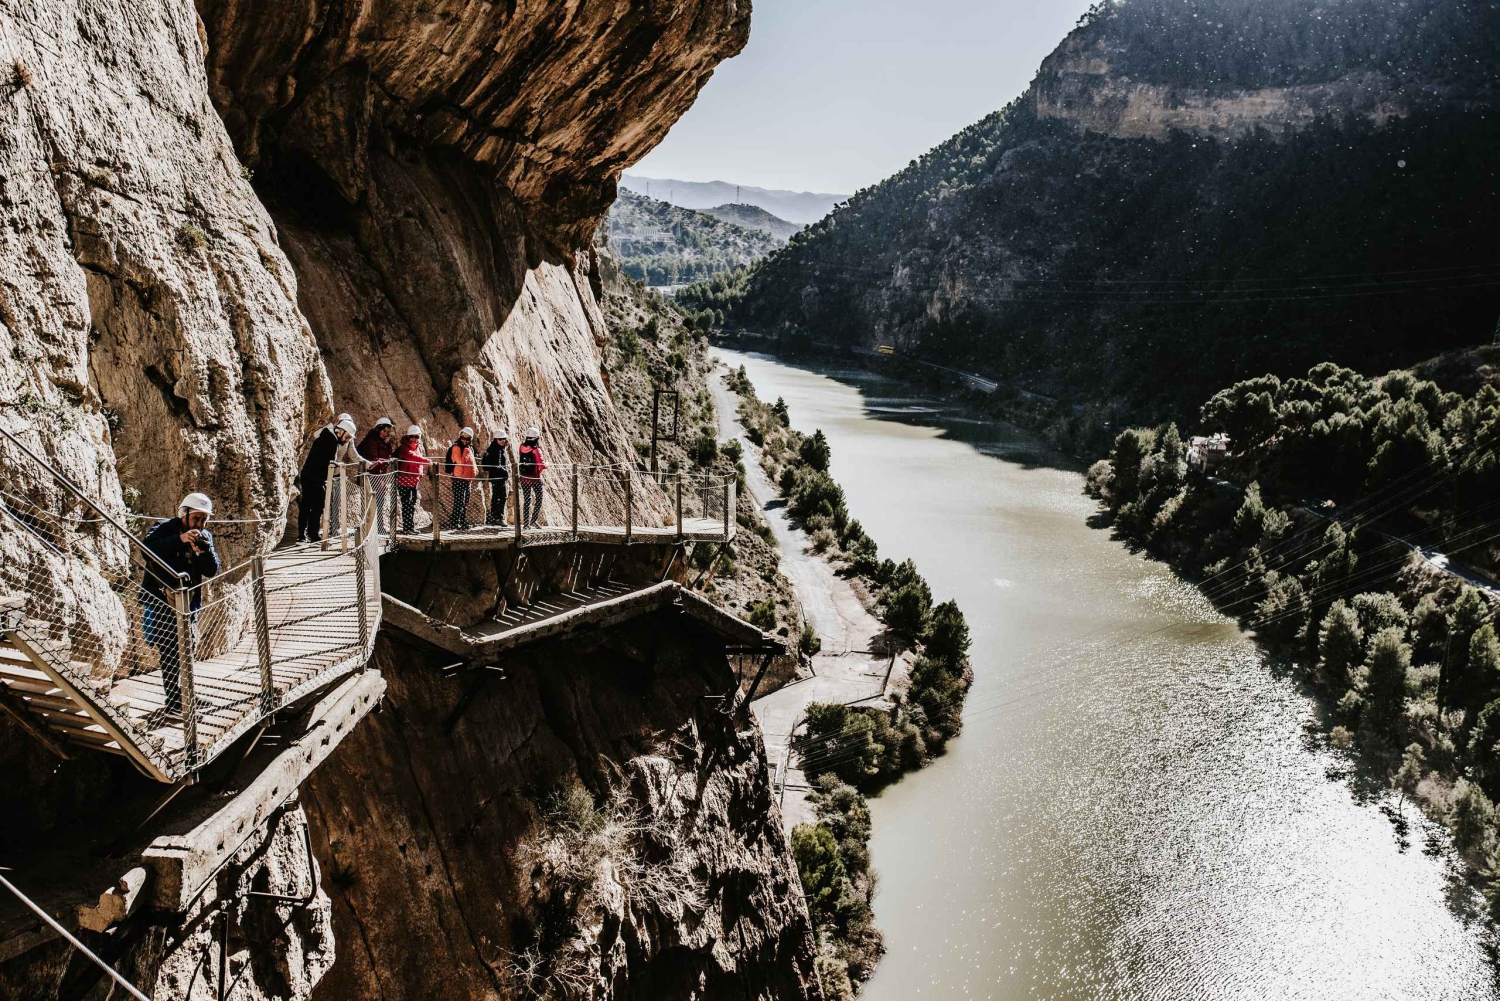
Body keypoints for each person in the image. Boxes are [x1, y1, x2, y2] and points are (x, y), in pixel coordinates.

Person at [141, 493, 220, 721]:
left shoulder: (204, 536)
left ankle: (186, 696)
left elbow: (212, 570)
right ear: (184, 514)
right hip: (162, 599)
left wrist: (203, 551)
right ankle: (174, 701)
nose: (200, 525)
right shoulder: (165, 528)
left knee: (187, 649)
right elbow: (146, 549)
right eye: (196, 519)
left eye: (204, 520)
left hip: (189, 602)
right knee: (169, 649)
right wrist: (180, 540)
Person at [297, 416, 357, 542]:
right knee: (317, 506)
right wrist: (337, 466)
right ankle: (312, 534)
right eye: (347, 437)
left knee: (307, 505)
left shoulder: (327, 437)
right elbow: (327, 462)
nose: (347, 440)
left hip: (310, 475)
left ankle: (303, 535)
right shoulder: (330, 441)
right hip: (316, 477)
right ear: (340, 432)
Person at [358, 417, 397, 534]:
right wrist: (385, 462)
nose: (386, 434)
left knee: (379, 503)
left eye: (388, 432)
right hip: (372, 477)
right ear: (378, 430)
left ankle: (378, 527)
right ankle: (372, 528)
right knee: (371, 504)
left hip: (380, 477)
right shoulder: (371, 441)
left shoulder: (382, 442)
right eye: (384, 431)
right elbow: (372, 459)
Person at [392, 425, 430, 533]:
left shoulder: (418, 448)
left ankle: (410, 527)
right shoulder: (404, 448)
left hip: (413, 480)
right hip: (404, 480)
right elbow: (412, 457)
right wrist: (427, 461)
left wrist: (420, 473)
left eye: (416, 437)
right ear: (408, 437)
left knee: (412, 504)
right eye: (412, 437)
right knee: (407, 504)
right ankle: (407, 528)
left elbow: (418, 462)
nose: (414, 439)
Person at [444, 427, 479, 530]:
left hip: (467, 479)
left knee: (465, 501)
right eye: (463, 438)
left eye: (467, 439)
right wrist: (467, 451)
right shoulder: (457, 448)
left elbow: (472, 462)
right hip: (458, 477)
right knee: (459, 501)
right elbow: (459, 461)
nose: (465, 440)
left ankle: (462, 521)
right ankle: (455, 522)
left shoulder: (469, 448)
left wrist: (475, 470)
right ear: (460, 437)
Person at [518, 426, 547, 529]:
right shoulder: (536, 450)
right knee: (539, 499)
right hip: (535, 479)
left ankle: (526, 524)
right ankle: (533, 521)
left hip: (524, 478)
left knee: (527, 500)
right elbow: (542, 465)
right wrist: (546, 465)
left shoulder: (521, 447)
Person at [480, 429, 510, 527]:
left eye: (504, 439)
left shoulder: (498, 449)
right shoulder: (495, 450)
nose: (502, 441)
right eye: (500, 439)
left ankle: (495, 517)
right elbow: (495, 464)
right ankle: (498, 518)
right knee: (501, 497)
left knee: (498, 497)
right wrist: (504, 471)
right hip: (497, 477)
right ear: (496, 439)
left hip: (497, 477)